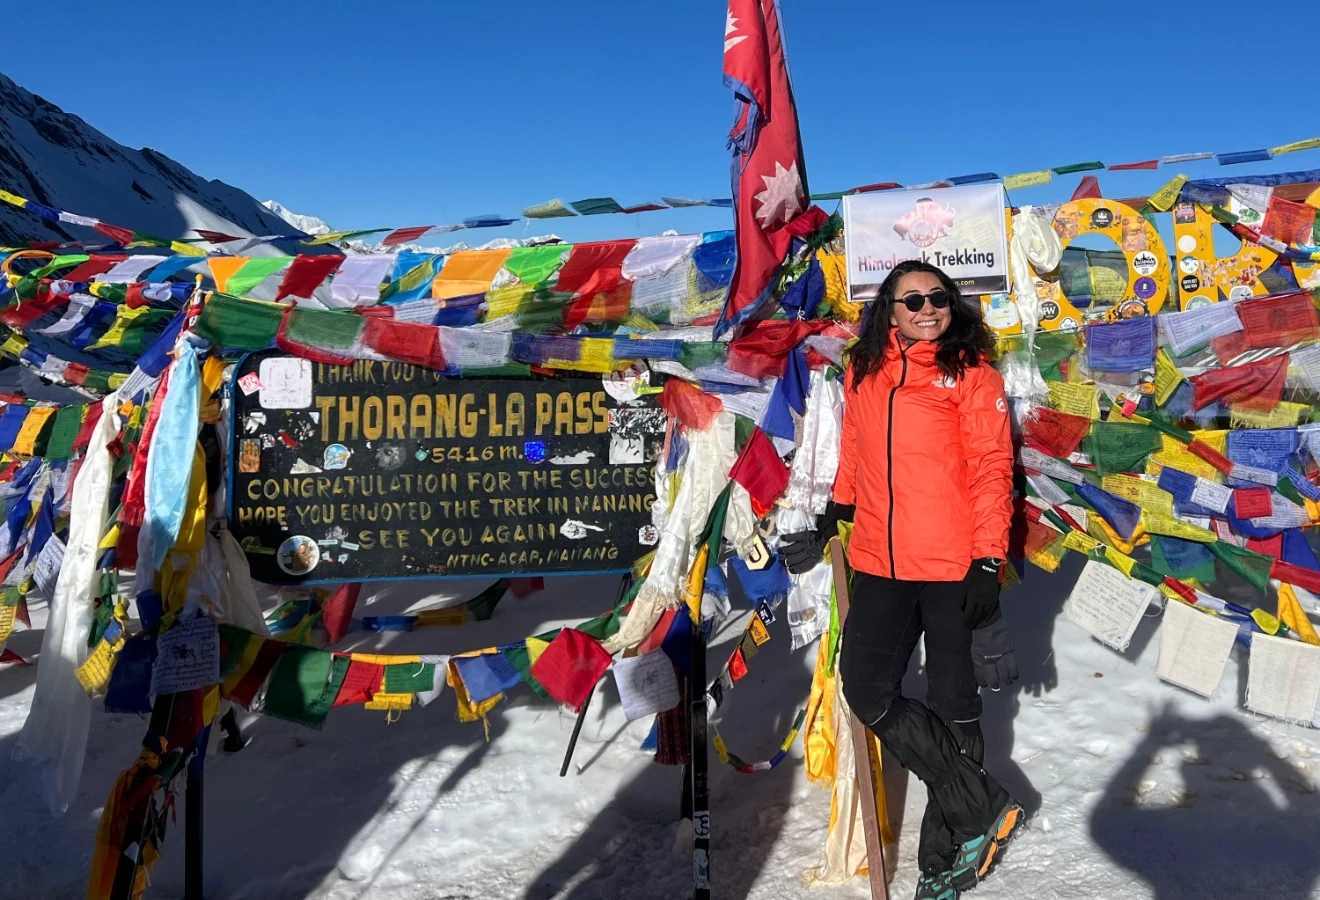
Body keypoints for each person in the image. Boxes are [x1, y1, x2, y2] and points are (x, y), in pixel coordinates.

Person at [782, 260, 1022, 900]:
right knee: (867, 691)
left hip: (951, 565)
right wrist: (838, 507)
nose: (926, 308)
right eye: (911, 299)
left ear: (953, 303)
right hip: (879, 563)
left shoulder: (972, 374)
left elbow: (992, 469)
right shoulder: (864, 371)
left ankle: (944, 864)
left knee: (954, 706)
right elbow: (857, 454)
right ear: (888, 309)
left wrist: (988, 560)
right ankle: (983, 805)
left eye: (937, 297)